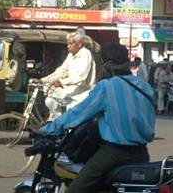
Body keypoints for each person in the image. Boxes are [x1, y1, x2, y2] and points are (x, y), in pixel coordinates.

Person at [39, 42, 155, 193]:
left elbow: (77, 114)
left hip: (114, 154)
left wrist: (47, 129)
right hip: (141, 154)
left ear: (106, 65)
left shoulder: (106, 87)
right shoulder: (144, 87)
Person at [40, 32, 96, 121]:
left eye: (70, 43)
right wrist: (44, 81)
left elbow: (81, 77)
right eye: (68, 43)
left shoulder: (85, 54)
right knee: (50, 100)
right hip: (69, 90)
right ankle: (58, 123)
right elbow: (61, 70)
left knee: (72, 118)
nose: (68, 46)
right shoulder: (70, 55)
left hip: (82, 93)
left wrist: (61, 82)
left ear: (79, 45)